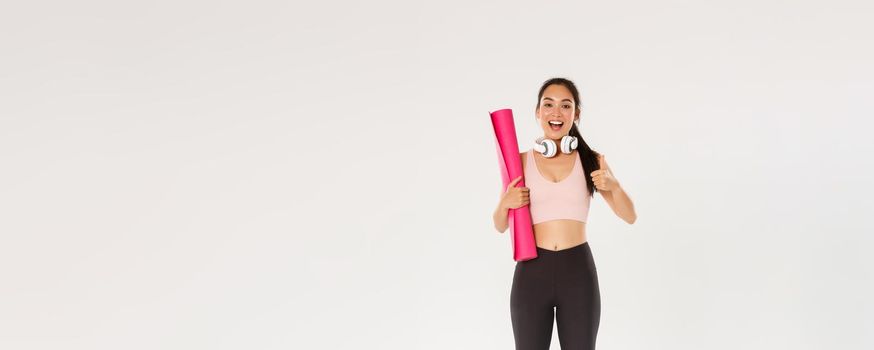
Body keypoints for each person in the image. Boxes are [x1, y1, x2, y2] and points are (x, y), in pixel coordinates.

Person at [492, 77, 637, 350]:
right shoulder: (520, 162)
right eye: (548, 105)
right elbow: (499, 225)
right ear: (537, 112)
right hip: (532, 272)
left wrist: (614, 186)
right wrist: (505, 204)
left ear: (576, 114)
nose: (556, 113)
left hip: (577, 271)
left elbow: (630, 215)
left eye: (565, 105)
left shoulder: (592, 160)